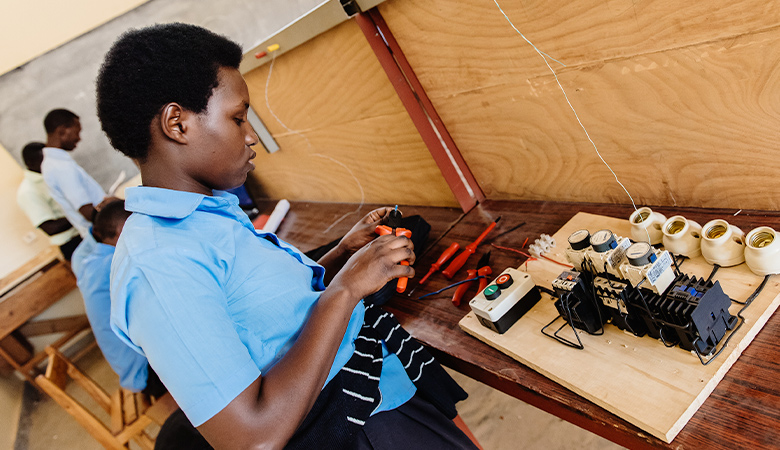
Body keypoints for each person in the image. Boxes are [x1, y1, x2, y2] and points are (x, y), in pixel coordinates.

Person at [96, 23, 475, 449]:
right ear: (177, 124)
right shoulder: (157, 266)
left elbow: (269, 317)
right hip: (354, 428)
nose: (251, 134)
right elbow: (251, 437)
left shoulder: (204, 214)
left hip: (378, 387)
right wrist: (347, 288)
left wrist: (340, 255)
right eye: (238, 118)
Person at [74, 200, 166, 397]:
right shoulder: (115, 263)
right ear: (123, 230)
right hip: (146, 372)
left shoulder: (92, 263)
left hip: (129, 367)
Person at [40, 108, 114, 238]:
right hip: (106, 232)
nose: (79, 138)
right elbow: (87, 211)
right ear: (62, 131)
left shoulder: (52, 164)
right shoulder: (60, 167)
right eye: (77, 132)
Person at [16, 142, 82, 260]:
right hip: (72, 243)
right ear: (30, 163)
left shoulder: (50, 175)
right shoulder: (28, 191)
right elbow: (50, 228)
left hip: (84, 232)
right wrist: (80, 212)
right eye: (44, 159)